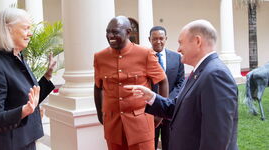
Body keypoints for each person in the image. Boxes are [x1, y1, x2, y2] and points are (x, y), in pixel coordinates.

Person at [125, 20, 238, 150]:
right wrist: (151, 97)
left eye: (181, 43)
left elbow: (216, 139)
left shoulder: (215, 75)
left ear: (197, 41)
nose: (178, 49)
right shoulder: (201, 71)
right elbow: (178, 108)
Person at [0, 8, 56, 150]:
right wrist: (23, 111)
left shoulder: (17, 57)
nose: (30, 33)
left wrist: (47, 76)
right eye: (26, 28)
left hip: (23, 141)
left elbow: (30, 97)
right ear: (8, 30)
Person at [94, 16, 168, 150]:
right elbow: (98, 87)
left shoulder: (145, 54)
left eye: (115, 32)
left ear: (128, 32)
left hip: (141, 125)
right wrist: (100, 114)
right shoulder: (100, 57)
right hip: (113, 126)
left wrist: (160, 113)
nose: (110, 35)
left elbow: (163, 81)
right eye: (108, 32)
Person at [149, 26, 185, 150]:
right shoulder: (144, 58)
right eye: (154, 39)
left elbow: (180, 82)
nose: (158, 41)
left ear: (166, 39)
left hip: (170, 109)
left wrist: (166, 102)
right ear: (149, 39)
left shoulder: (177, 58)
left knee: (169, 143)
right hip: (151, 110)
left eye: (161, 38)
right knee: (150, 144)